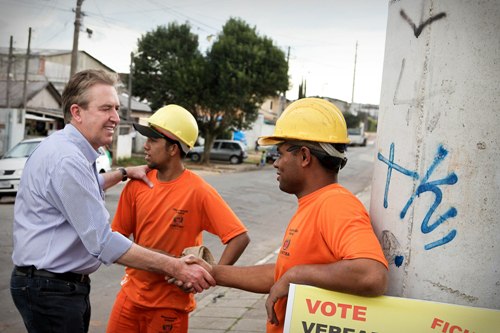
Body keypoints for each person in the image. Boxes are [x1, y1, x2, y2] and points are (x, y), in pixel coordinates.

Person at [10, 69, 215, 333]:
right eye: (106, 108)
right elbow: (103, 242)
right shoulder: (68, 160)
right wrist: (176, 267)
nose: (116, 118)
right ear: (77, 112)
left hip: (56, 287)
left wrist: (124, 173)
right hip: (51, 290)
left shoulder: (66, 150)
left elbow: (80, 192)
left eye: (116, 108)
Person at [211, 98, 388, 333]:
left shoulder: (336, 203)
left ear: (304, 156)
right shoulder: (314, 204)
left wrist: (296, 274)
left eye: (280, 152)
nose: (275, 162)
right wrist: (213, 273)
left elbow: (371, 275)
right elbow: (279, 275)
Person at [106, 104, 250, 333]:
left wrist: (210, 275)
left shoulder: (198, 191)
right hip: (129, 298)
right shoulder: (137, 185)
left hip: (170, 307)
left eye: (153, 140)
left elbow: (239, 237)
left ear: (173, 149)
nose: (146, 145)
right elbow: (115, 240)